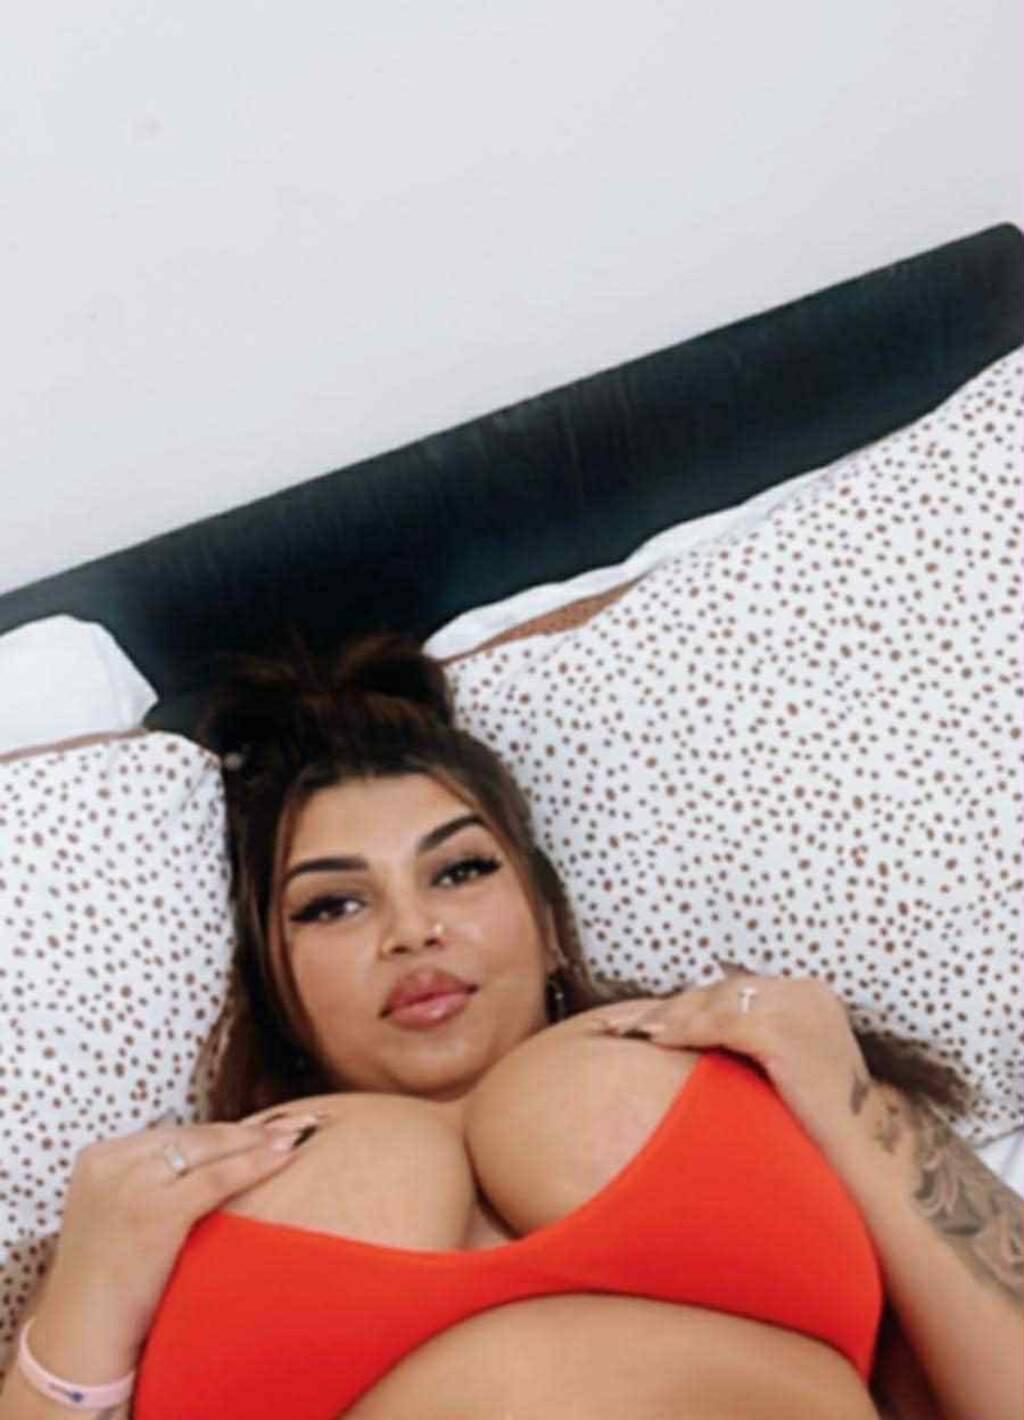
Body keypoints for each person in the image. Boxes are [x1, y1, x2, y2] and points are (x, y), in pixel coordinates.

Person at [2, 634, 1020, 1420]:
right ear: (275, 982)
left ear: (545, 919)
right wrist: (81, 1304)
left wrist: (849, 1098)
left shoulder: (772, 1062)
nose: (413, 931)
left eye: (459, 870)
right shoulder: (155, 1208)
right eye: (332, 905)